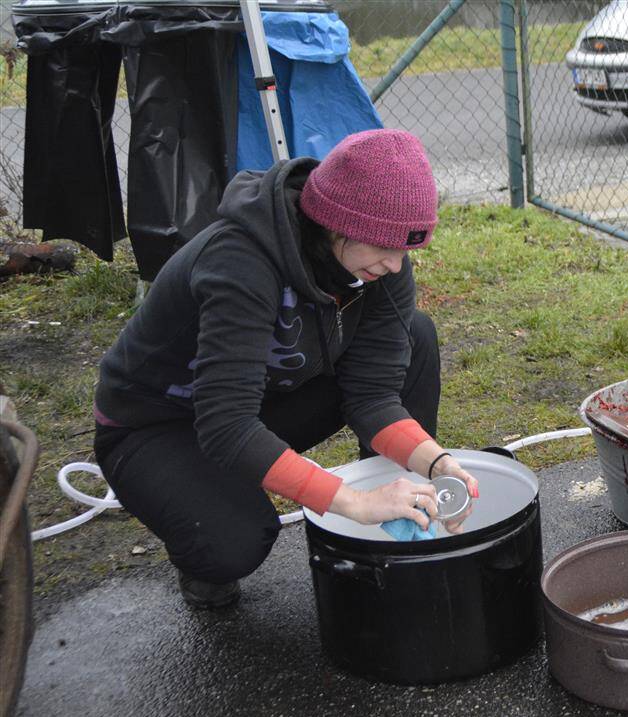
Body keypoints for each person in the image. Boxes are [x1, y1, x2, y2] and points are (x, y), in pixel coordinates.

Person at [93, 129, 477, 610]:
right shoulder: (240, 260)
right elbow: (226, 424)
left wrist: (436, 462)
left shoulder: (380, 261)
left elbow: (373, 395)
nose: (397, 266)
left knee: (415, 335)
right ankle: (201, 533)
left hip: (262, 399)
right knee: (232, 542)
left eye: (406, 251)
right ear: (337, 224)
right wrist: (352, 502)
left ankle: (398, 520)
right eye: (385, 247)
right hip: (157, 425)